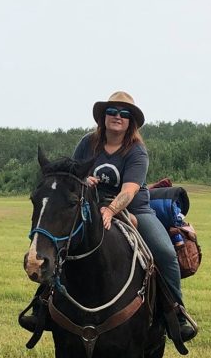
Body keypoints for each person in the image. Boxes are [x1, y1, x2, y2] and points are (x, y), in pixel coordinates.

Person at [71, 91, 197, 344]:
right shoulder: (88, 143)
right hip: (91, 206)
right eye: (112, 112)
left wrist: (109, 210)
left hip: (135, 208)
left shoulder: (137, 151)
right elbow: (73, 175)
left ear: (131, 122)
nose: (118, 117)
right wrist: (84, 180)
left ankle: (175, 313)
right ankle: (43, 304)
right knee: (60, 242)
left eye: (124, 114)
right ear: (103, 116)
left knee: (164, 253)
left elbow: (129, 190)